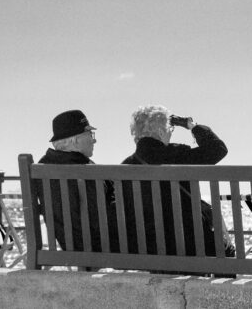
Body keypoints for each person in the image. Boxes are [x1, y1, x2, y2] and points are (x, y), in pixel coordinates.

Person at [121, 105, 235, 258]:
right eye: (170, 129)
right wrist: (191, 126)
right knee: (226, 249)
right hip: (190, 248)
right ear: (161, 132)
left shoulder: (125, 167)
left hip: (149, 251)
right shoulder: (177, 155)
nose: (170, 133)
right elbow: (218, 149)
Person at [35, 110, 118, 253]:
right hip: (100, 246)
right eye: (90, 135)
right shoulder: (86, 171)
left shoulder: (42, 168)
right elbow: (101, 215)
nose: (94, 140)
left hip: (70, 245)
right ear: (74, 140)